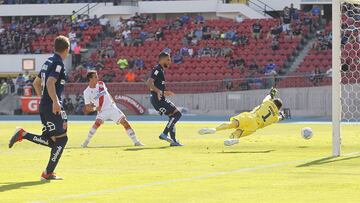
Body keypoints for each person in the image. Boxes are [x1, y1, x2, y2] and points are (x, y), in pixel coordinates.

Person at [8, 36, 70, 181]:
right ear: (66, 49)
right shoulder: (58, 63)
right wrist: (54, 101)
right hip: (52, 106)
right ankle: (47, 173)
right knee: (61, 140)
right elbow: (49, 82)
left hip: (45, 106)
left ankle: (23, 134)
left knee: (53, 141)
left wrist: (44, 100)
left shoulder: (47, 62)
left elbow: (36, 83)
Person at [199, 88, 286, 146]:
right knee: (238, 132)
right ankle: (235, 139)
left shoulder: (268, 103)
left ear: (273, 101)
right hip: (254, 127)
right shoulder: (275, 117)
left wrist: (271, 94)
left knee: (233, 124)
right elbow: (279, 119)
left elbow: (268, 97)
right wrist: (282, 115)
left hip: (251, 117)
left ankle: (215, 129)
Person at [82, 71, 143, 147]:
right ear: (90, 79)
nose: (97, 78)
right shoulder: (87, 92)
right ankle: (86, 142)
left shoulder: (101, 84)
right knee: (97, 123)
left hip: (112, 108)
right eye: (95, 77)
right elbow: (87, 107)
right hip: (102, 111)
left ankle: (136, 141)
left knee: (125, 122)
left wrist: (113, 101)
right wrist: (95, 108)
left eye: (97, 76)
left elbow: (107, 93)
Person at [146, 52, 183, 146]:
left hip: (159, 99)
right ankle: (164, 134)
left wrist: (165, 92)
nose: (170, 61)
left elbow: (157, 87)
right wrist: (158, 91)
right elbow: (149, 83)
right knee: (177, 114)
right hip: (158, 100)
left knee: (173, 116)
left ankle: (173, 141)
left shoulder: (161, 70)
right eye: (168, 59)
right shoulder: (157, 69)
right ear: (162, 60)